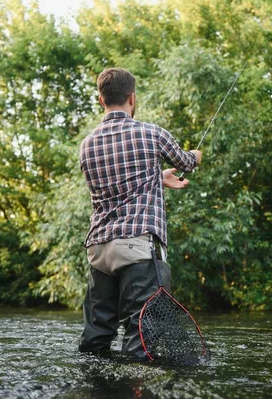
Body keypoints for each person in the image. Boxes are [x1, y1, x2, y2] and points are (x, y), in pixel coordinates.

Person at [78, 67, 202, 359]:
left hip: (99, 251)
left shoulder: (87, 145)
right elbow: (186, 161)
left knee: (96, 337)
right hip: (137, 248)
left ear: (101, 100)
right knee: (142, 336)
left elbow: (115, 186)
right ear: (132, 98)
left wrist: (158, 177)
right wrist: (196, 156)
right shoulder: (151, 133)